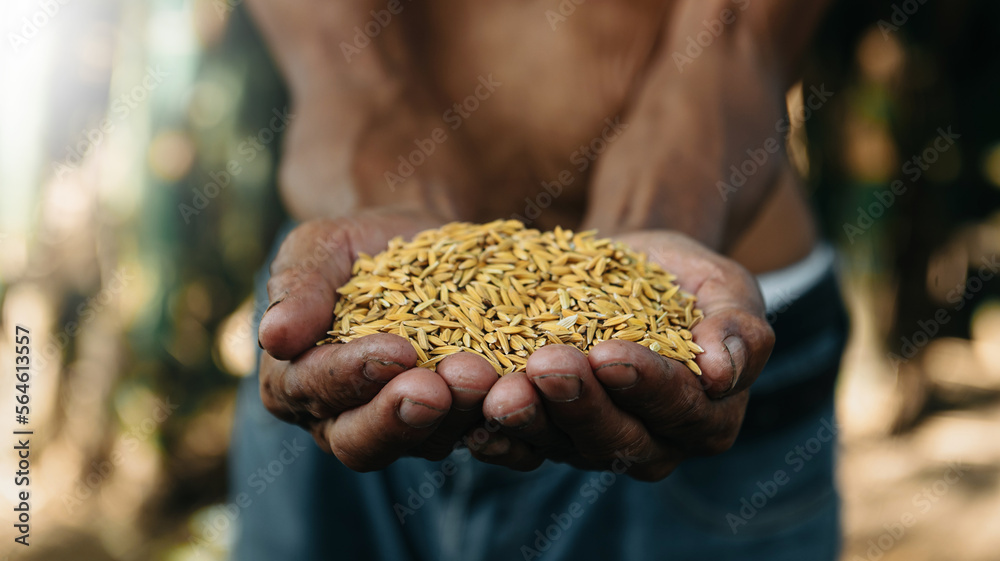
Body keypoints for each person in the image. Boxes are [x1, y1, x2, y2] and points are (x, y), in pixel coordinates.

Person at [229, 1, 848, 559]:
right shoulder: (372, 288)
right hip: (355, 307)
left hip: (700, 326)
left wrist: (658, 216)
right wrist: (368, 122)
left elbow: (732, 34)